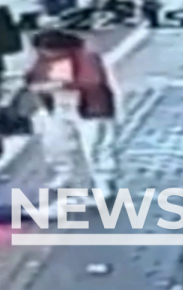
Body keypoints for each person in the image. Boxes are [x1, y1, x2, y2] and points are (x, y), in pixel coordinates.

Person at [25, 29, 119, 201]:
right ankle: (66, 176)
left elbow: (92, 81)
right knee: (57, 144)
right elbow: (33, 76)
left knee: (95, 148)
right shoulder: (44, 60)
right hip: (59, 107)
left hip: (89, 108)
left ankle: (104, 183)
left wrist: (59, 85)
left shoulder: (87, 56)